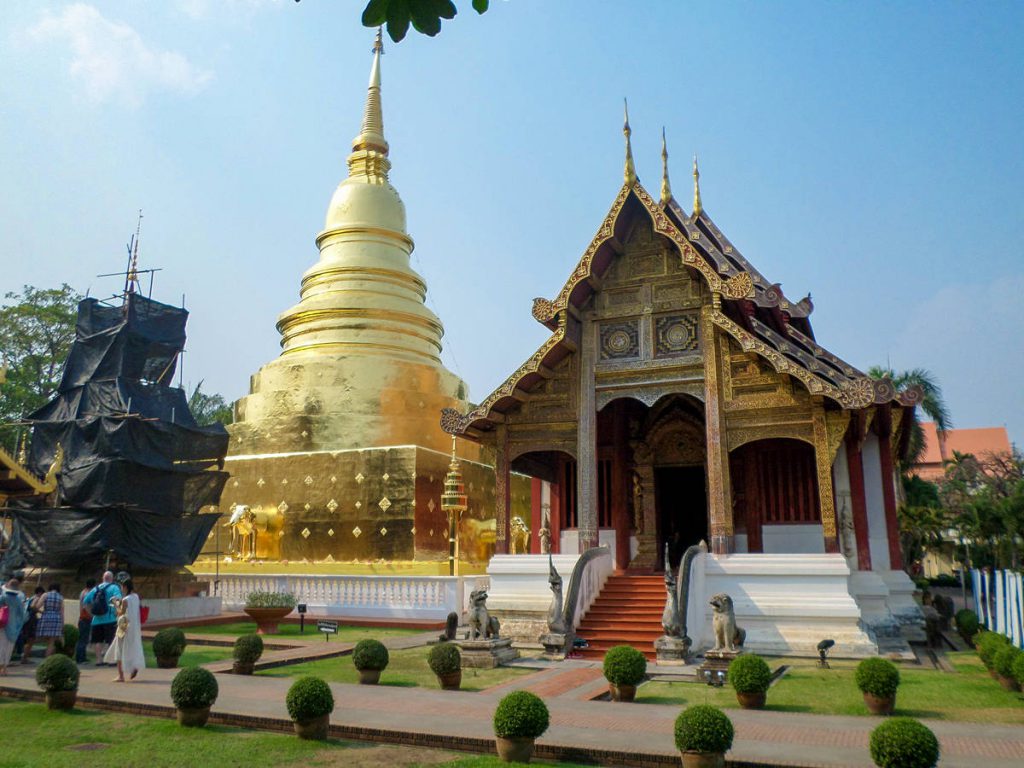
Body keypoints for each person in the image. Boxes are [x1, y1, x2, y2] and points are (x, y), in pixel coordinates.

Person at [103, 578, 144, 682]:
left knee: (118, 650)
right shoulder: (136, 597)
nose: (121, 589)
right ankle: (133, 667)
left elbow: (120, 613)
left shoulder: (126, 599)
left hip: (123, 625)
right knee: (132, 647)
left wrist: (116, 604)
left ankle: (121, 676)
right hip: (134, 626)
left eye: (122, 587)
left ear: (125, 587)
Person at [83, 571, 122, 665]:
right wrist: (118, 613)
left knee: (98, 641)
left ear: (103, 578)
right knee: (111, 640)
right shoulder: (114, 587)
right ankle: (111, 660)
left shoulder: (95, 589)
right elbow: (118, 600)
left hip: (96, 620)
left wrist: (91, 614)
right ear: (112, 579)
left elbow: (85, 602)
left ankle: (99, 660)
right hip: (110, 619)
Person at [0, 573, 28, 676]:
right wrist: (18, 625)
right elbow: (23, 615)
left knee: (1, 646)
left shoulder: (2, 597)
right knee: (9, 648)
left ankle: (1, 667)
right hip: (14, 627)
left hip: (2, 625)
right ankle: (5, 668)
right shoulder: (18, 600)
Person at [35, 584, 64, 658]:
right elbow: (62, 613)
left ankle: (47, 656)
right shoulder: (60, 597)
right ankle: (48, 657)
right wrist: (62, 625)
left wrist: (41, 611)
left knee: (43, 638)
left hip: (46, 617)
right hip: (56, 618)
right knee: (52, 641)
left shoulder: (45, 595)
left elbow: (37, 607)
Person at [18, 587, 45, 664]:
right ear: (39, 593)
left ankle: (24, 656)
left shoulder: (30, 598)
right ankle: (24, 658)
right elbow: (33, 606)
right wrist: (41, 612)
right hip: (31, 620)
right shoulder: (36, 598)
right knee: (31, 639)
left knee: (28, 639)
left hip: (27, 620)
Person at [75, 579, 96, 663]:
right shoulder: (88, 594)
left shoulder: (83, 592)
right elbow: (86, 607)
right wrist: (92, 616)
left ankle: (82, 657)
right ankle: (80, 659)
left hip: (83, 618)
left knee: (83, 639)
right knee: (83, 639)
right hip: (86, 618)